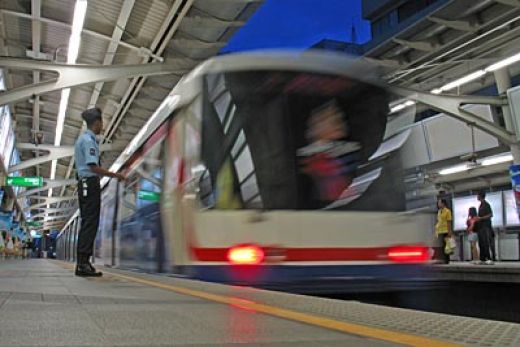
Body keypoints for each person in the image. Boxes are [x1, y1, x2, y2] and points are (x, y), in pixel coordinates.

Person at [74, 107, 126, 277]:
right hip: (89, 183)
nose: (102, 126)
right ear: (96, 123)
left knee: (88, 222)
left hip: (85, 184)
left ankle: (83, 263)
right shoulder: (89, 140)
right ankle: (82, 264)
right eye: (101, 123)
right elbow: (93, 167)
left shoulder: (85, 139)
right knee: (90, 222)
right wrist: (115, 175)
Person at [476, 191, 494, 264]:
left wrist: (481, 218)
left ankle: (488, 258)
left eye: (477, 195)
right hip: (480, 226)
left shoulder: (486, 204)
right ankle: (482, 258)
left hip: (486, 226)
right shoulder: (480, 205)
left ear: (480, 196)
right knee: (481, 242)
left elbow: (490, 214)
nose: (476, 197)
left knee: (485, 242)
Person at [435, 198, 453, 264]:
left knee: (446, 246)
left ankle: (447, 260)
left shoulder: (448, 211)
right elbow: (439, 221)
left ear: (443, 203)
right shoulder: (439, 211)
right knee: (441, 246)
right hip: (439, 231)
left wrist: (449, 231)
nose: (438, 204)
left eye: (439, 203)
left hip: (445, 230)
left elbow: (449, 222)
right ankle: (442, 259)